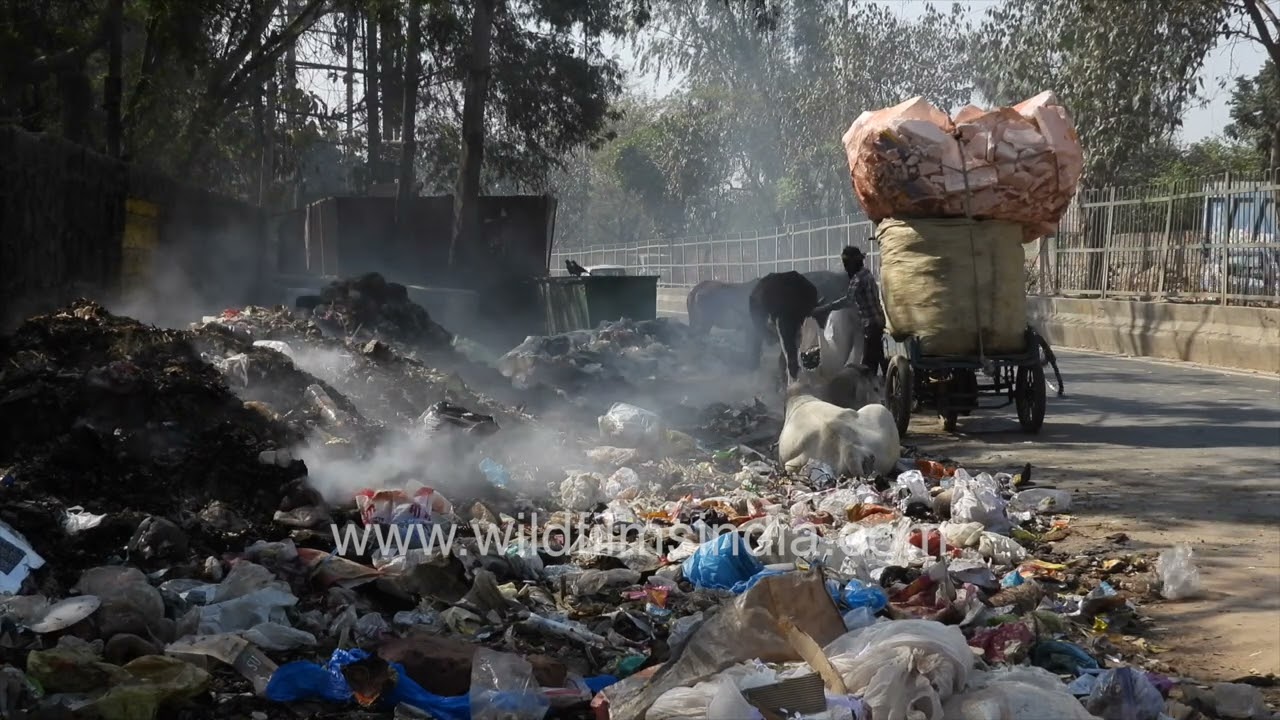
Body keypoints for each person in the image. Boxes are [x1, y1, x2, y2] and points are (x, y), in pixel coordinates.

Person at [812, 246, 887, 375]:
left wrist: (824, 308)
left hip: (869, 324)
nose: (845, 267)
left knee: (867, 364)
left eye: (846, 264)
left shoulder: (857, 280)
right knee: (878, 355)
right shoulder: (868, 274)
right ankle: (887, 383)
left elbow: (847, 301)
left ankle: (872, 389)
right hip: (879, 320)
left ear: (852, 264)